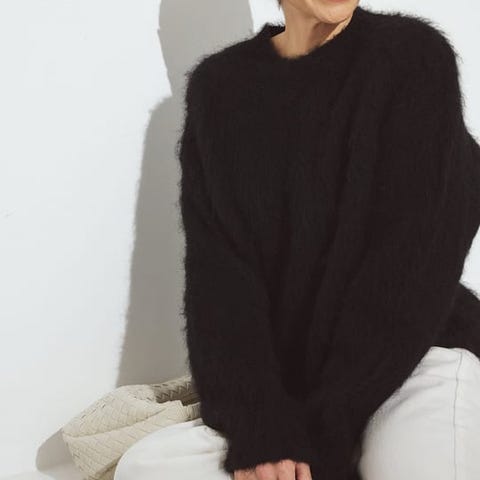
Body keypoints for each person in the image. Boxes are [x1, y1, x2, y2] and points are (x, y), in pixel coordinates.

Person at [115, 1, 480, 479]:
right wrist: (261, 427)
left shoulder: (411, 55)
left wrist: (322, 440)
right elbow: (218, 284)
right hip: (294, 386)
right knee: (143, 468)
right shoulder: (219, 89)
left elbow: (411, 270)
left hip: (415, 358)